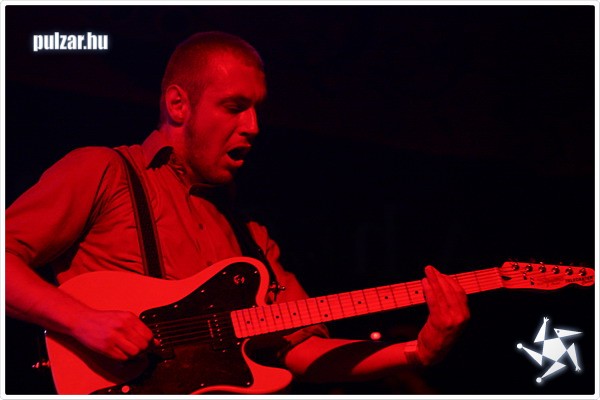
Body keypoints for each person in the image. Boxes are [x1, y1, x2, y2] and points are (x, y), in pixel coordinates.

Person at [5, 31, 470, 393]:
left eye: (256, 110)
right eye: (234, 107)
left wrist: (418, 350)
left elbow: (304, 353)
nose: (253, 126)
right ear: (178, 104)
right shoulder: (104, 171)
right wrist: (82, 320)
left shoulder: (251, 239)